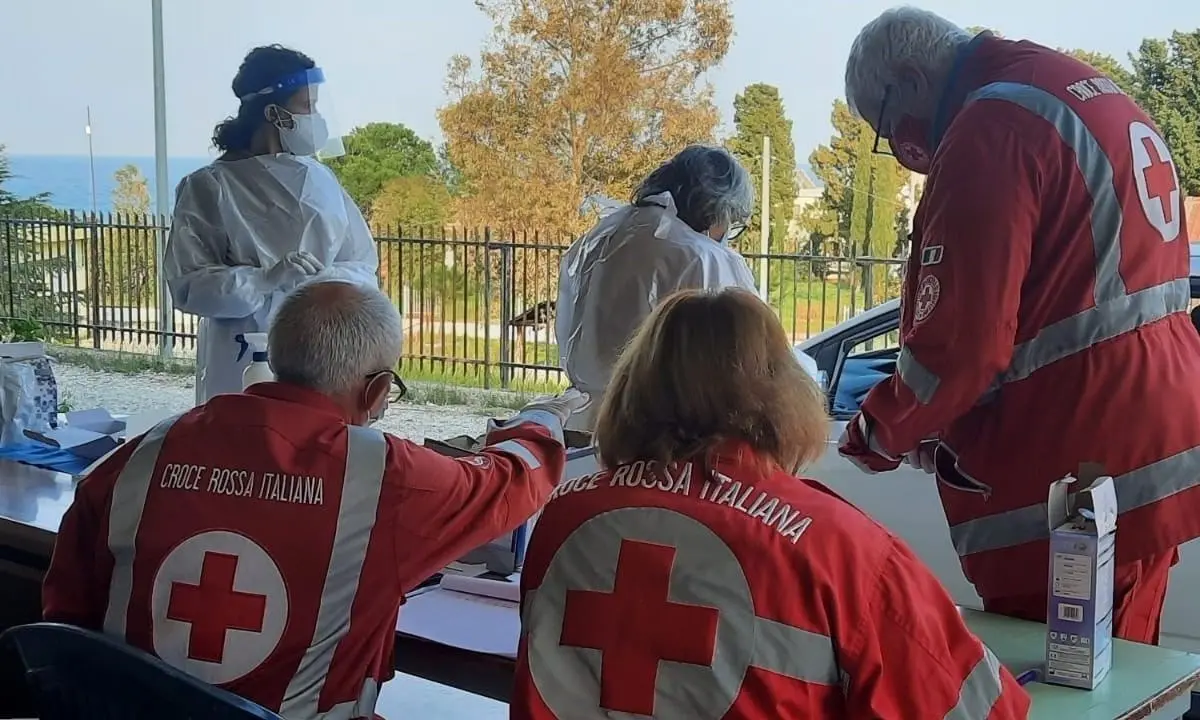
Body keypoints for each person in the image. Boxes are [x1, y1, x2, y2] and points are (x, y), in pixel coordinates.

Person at [42, 280, 587, 720]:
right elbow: (513, 480)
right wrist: (542, 419)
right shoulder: (386, 480)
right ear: (375, 392)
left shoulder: (136, 458)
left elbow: (65, 631)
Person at [837, 7, 1200, 644]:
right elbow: (1061, 301)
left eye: (886, 127)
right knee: (1119, 684)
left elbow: (961, 342)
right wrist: (946, 417)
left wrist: (878, 431)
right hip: (1148, 453)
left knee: (1060, 691)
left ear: (910, 80)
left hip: (1072, 468)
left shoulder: (990, 129)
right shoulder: (1079, 91)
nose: (900, 151)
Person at [514, 287, 1030, 719]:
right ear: (782, 395)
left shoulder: (564, 514)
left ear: (633, 389)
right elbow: (978, 709)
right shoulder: (839, 548)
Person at [165, 45, 379, 406]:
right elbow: (189, 286)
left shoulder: (320, 179)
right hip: (242, 355)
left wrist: (325, 283)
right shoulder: (210, 187)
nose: (317, 118)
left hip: (323, 350)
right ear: (274, 114)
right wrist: (264, 280)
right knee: (244, 446)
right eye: (307, 107)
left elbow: (363, 265)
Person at [555, 145, 758, 430]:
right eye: (731, 221)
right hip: (663, 433)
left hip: (587, 418)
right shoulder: (700, 256)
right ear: (718, 211)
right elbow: (741, 357)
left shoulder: (605, 236)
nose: (726, 234)